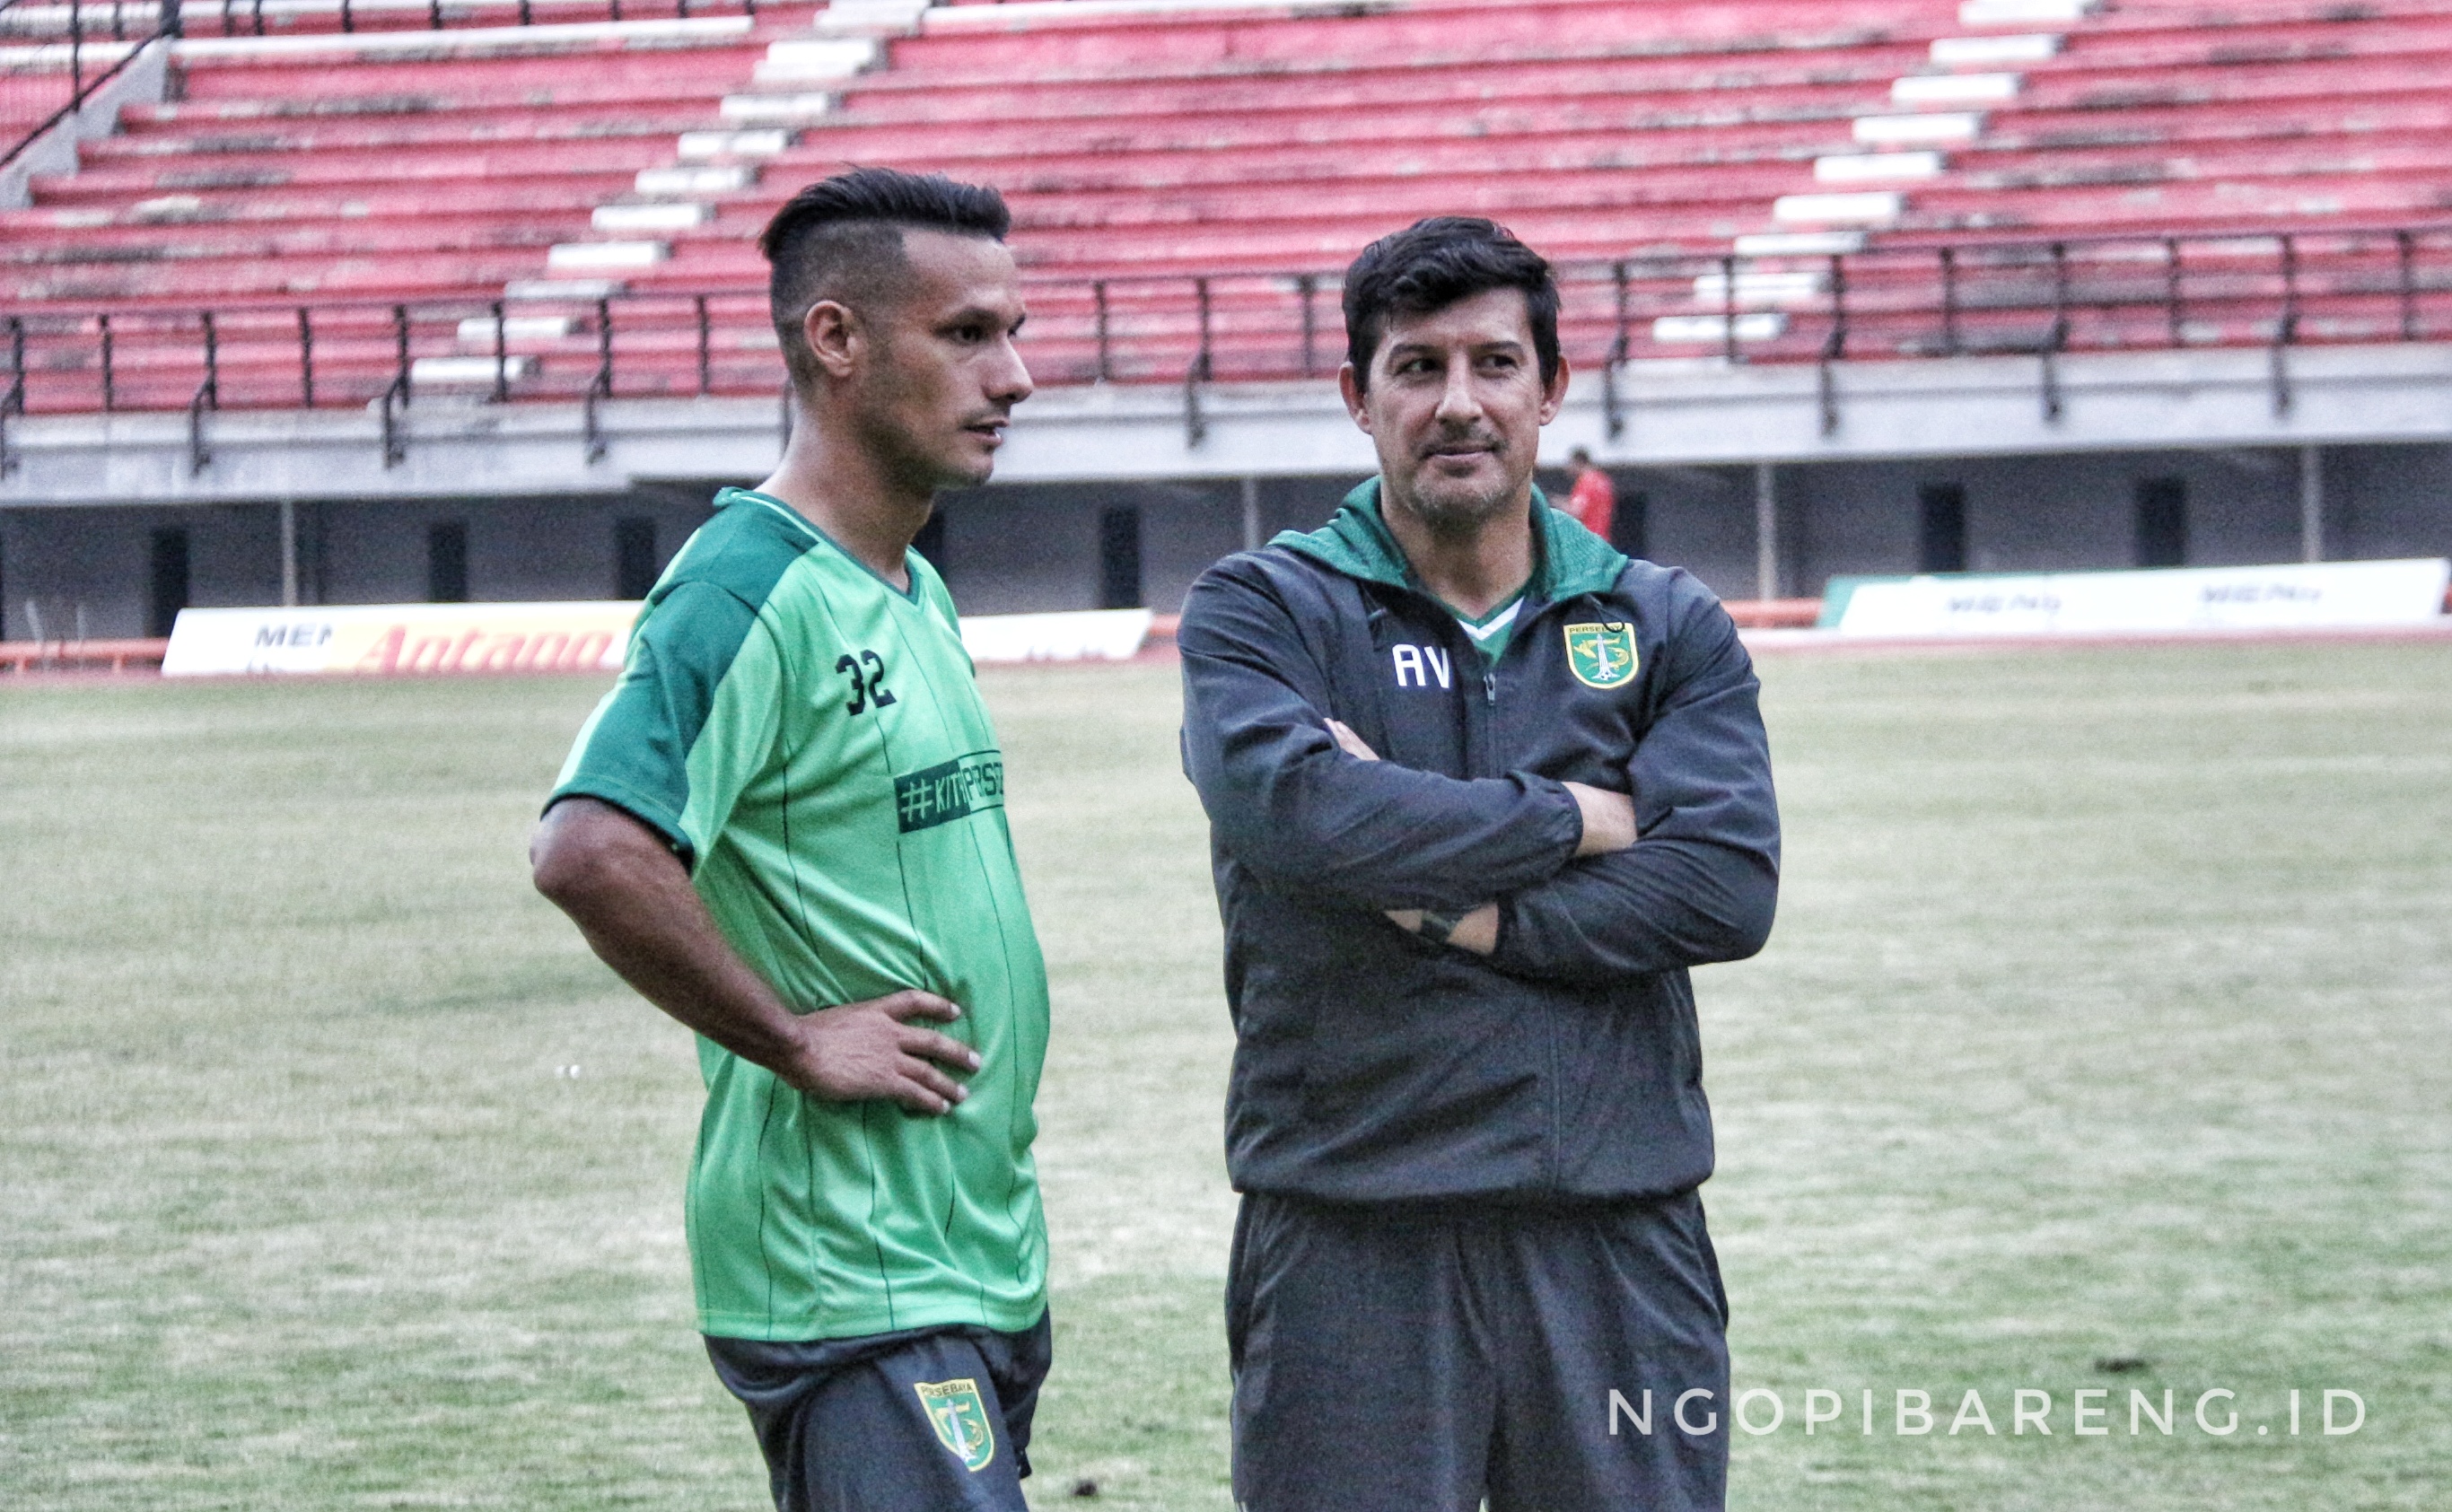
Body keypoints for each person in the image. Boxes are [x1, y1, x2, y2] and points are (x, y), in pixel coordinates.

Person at [1177, 215, 1781, 1512]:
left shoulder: (1662, 619)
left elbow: (1725, 888)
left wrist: (1466, 917)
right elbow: (1298, 819)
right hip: (1353, 1234)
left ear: (1550, 388)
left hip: (1618, 1234)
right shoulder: (1264, 608)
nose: (1460, 403)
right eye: (1417, 366)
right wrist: (1578, 816)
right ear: (1358, 394)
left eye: (1496, 364)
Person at [529, 168, 1050, 1512]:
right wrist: (800, 1035)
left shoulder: (911, 584)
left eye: (1014, 331)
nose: (1018, 376)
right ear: (836, 340)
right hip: (850, 1257)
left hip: (965, 1236)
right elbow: (590, 846)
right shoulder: (741, 588)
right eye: (969, 334)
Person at [1564, 443, 1616, 544]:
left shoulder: (1586, 482)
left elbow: (1577, 511)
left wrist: (1553, 506)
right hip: (1603, 539)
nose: (1568, 468)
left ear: (1578, 462)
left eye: (1570, 463)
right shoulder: (1603, 480)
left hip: (1587, 539)